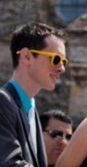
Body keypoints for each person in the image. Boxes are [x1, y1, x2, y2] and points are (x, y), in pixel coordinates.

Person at [0, 22, 68, 167]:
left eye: (64, 62)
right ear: (27, 57)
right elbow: (9, 164)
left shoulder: (31, 108)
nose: (61, 68)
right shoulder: (2, 102)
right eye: (55, 59)